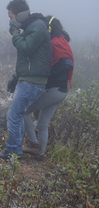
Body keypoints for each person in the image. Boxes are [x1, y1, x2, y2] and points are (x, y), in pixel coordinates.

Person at [0, 0, 52, 159]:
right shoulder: (32, 26)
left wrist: (15, 33)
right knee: (17, 114)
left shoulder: (37, 27)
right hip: (29, 80)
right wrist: (16, 77)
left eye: (11, 17)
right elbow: (28, 59)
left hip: (33, 82)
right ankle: (15, 149)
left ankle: (13, 151)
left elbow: (25, 49)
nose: (10, 21)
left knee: (13, 114)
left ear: (19, 16)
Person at [22, 16, 74, 156]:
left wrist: (48, 75)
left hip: (55, 89)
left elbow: (68, 63)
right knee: (42, 123)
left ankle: (33, 143)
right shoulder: (61, 40)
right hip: (61, 91)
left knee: (24, 111)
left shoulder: (56, 41)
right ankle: (41, 154)